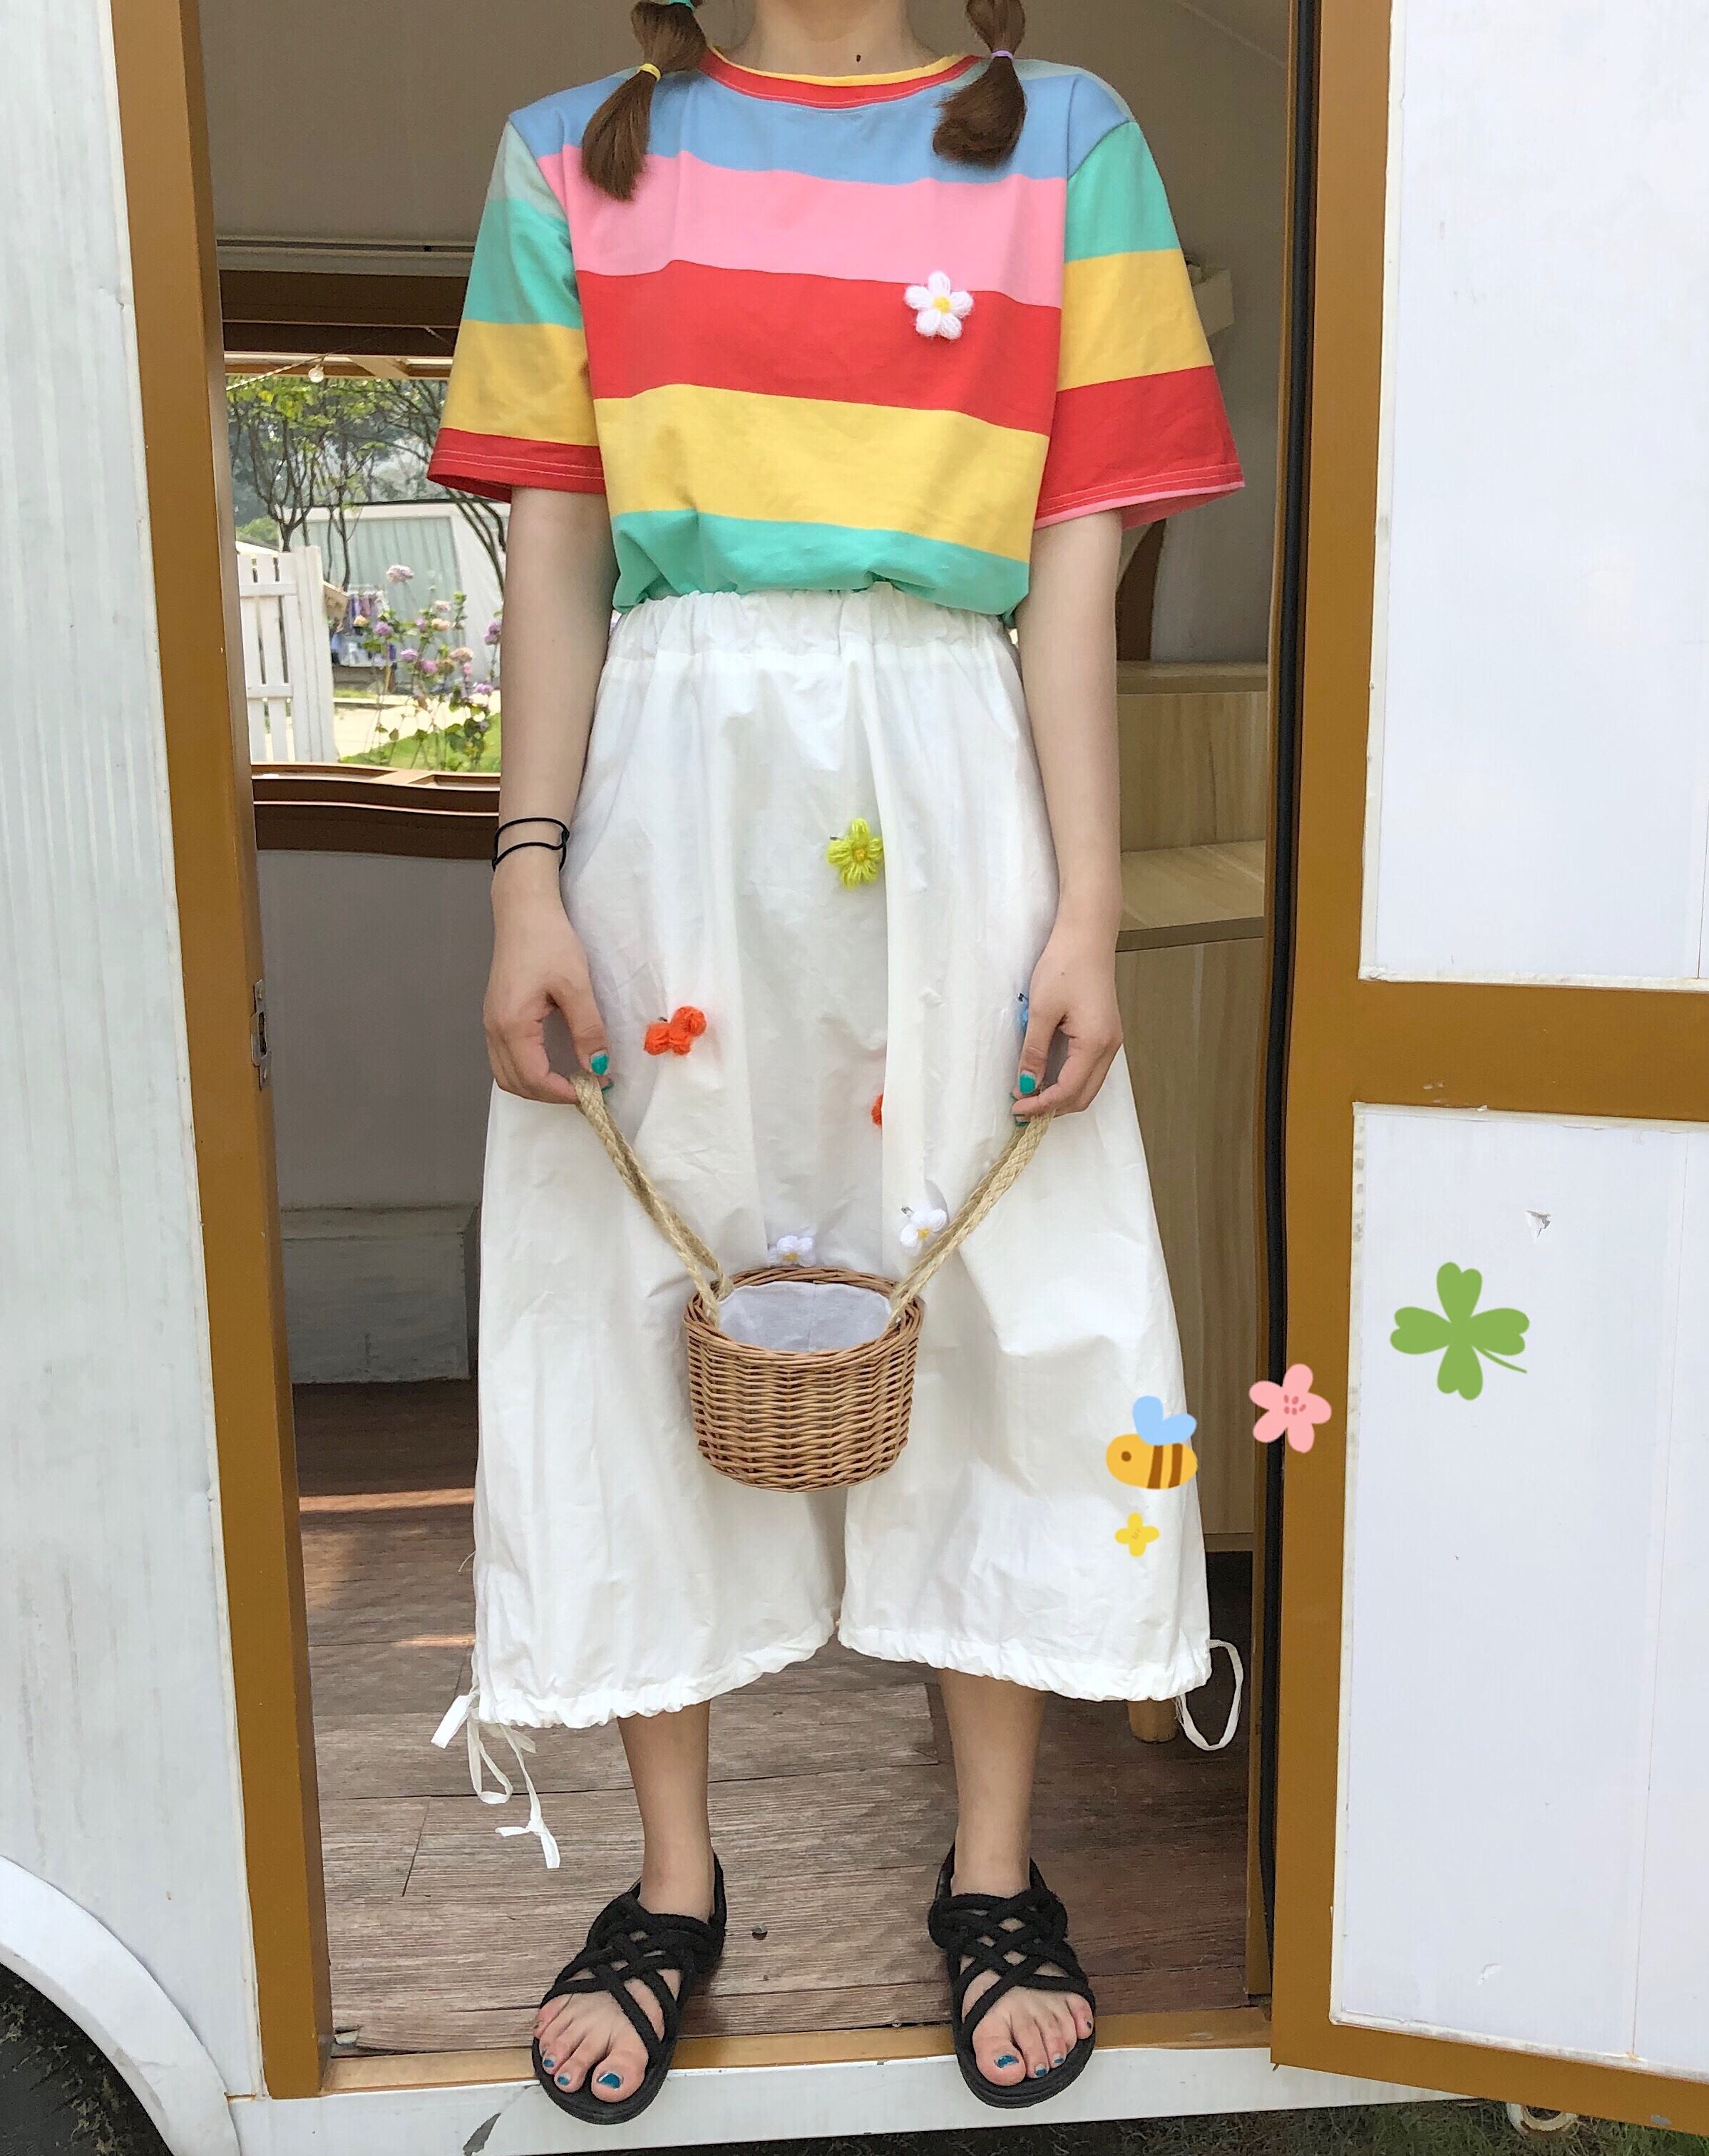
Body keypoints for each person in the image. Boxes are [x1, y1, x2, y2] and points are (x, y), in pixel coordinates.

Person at [426, 0, 1243, 2121]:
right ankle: (672, 1880)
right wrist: (527, 872)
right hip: (666, 791)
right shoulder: (570, 156)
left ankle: (994, 1871)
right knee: (646, 1275)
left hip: (955, 777)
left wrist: (1085, 903)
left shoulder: (1069, 140)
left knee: (1003, 1287)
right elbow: (555, 547)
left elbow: (1078, 561)